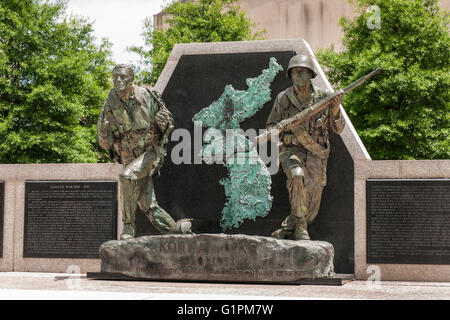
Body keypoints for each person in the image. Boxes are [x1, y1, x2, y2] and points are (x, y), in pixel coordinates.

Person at [98, 64, 192, 240]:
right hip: (128, 156)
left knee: (127, 177)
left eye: (123, 77)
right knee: (147, 205)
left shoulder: (147, 97)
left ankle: (128, 227)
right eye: (115, 77)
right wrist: (104, 132)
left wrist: (163, 123)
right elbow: (105, 143)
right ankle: (176, 231)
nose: (118, 80)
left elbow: (168, 123)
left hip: (150, 152)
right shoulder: (109, 104)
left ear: (131, 79)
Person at [266, 55, 345, 240]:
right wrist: (282, 132)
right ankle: (301, 227)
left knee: (312, 201)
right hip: (291, 151)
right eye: (294, 72)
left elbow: (338, 129)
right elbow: (270, 126)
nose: (297, 75)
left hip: (316, 152)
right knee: (297, 175)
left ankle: (290, 226)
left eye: (301, 71)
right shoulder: (283, 98)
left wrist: (334, 111)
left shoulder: (324, 97)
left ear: (310, 74)